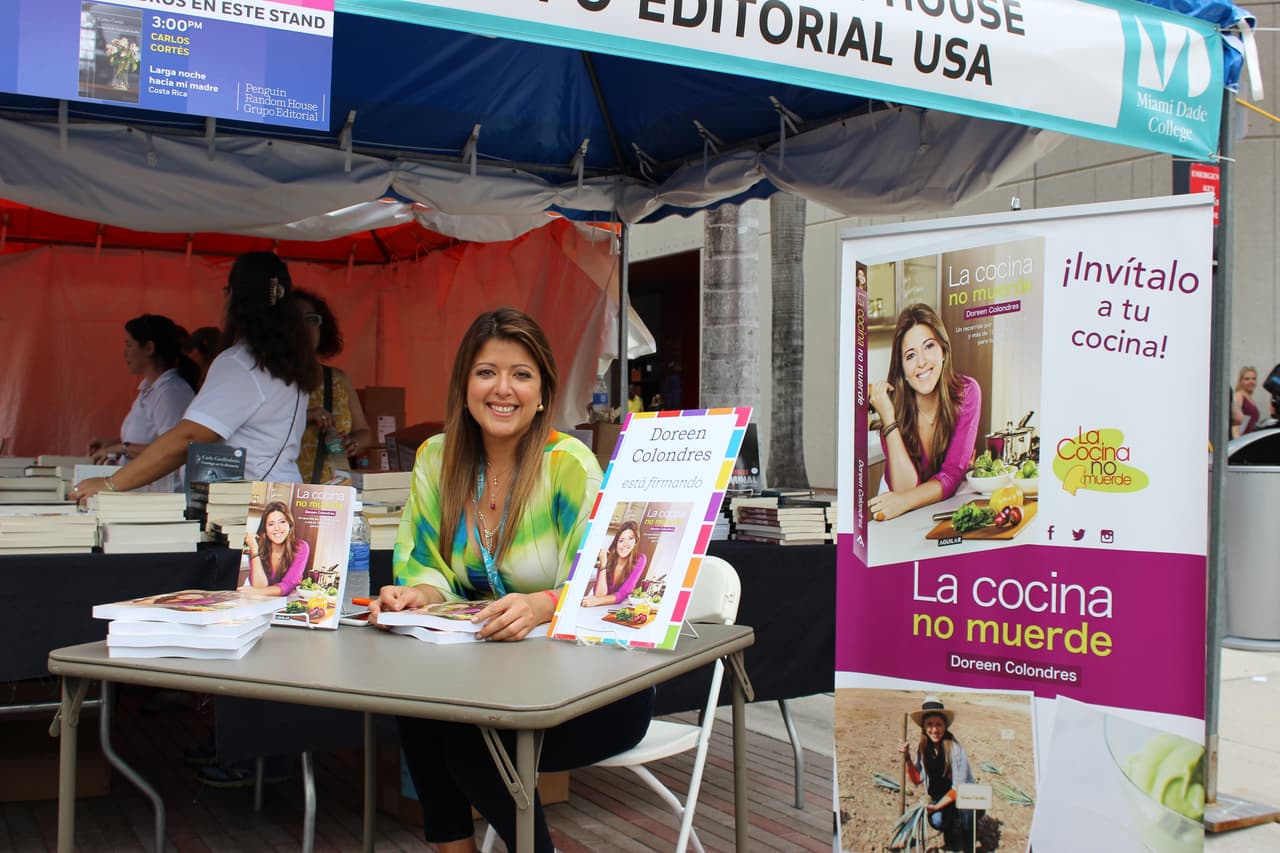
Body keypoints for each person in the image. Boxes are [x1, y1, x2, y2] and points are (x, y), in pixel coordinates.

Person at [370, 307, 652, 853]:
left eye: (521, 374)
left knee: (473, 746)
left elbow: (607, 590)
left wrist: (545, 603)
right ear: (465, 385)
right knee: (419, 708)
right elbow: (425, 565)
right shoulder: (436, 458)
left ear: (543, 390)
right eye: (486, 372)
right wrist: (418, 593)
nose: (504, 389)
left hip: (594, 692)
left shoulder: (569, 466)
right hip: (488, 684)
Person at [71, 251, 319, 502]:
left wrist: (112, 484)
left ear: (232, 296)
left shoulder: (241, 363)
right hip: (278, 497)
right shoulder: (286, 361)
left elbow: (189, 437)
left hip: (248, 509)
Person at [867, 304, 980, 522]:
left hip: (935, 500)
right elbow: (903, 489)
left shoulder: (967, 392)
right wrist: (889, 420)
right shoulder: (893, 407)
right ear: (903, 370)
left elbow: (952, 475)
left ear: (944, 351)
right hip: (898, 504)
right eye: (910, 356)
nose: (921, 362)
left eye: (929, 346)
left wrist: (905, 500)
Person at [88, 314, 199, 492]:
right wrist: (114, 443)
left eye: (129, 345)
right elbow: (152, 436)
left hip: (163, 499)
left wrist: (123, 448)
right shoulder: (150, 389)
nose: (125, 353)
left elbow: (174, 450)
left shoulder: (170, 393)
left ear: (149, 348)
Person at [292, 288, 372, 483]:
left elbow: (365, 433)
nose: (305, 327)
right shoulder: (272, 379)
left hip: (335, 492)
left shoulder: (337, 379)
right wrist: (307, 415)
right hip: (289, 491)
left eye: (312, 319)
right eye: (295, 320)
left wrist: (352, 443)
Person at [900, 695, 976, 853]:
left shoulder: (955, 749)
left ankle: (969, 843)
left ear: (945, 726)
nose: (934, 730)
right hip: (942, 798)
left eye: (938, 724)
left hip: (967, 797)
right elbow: (917, 779)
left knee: (967, 808)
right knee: (937, 821)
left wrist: (936, 807)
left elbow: (959, 788)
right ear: (923, 726)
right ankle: (950, 833)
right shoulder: (923, 747)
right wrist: (907, 757)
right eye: (929, 724)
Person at [245, 501, 309, 596]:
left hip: (284, 602)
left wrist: (255, 591)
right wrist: (254, 550)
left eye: (282, 522)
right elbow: (260, 587)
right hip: (259, 601)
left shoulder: (300, 547)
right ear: (265, 529)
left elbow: (287, 585)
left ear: (290, 524)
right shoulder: (257, 546)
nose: (277, 528)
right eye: (271, 524)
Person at [580, 520, 647, 607]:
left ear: (636, 541)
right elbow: (599, 595)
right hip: (597, 601)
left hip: (616, 604)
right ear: (616, 544)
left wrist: (598, 601)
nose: (625, 544)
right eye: (621, 540)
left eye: (630, 538)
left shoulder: (640, 559)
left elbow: (623, 593)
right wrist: (603, 562)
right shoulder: (607, 557)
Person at [1231, 365, 1260, 438]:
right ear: (1240, 381)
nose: (1251, 381)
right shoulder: (1239, 395)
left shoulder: (1251, 399)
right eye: (1247, 379)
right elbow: (1235, 422)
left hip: (1249, 439)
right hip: (1241, 441)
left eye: (1254, 379)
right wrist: (1237, 441)